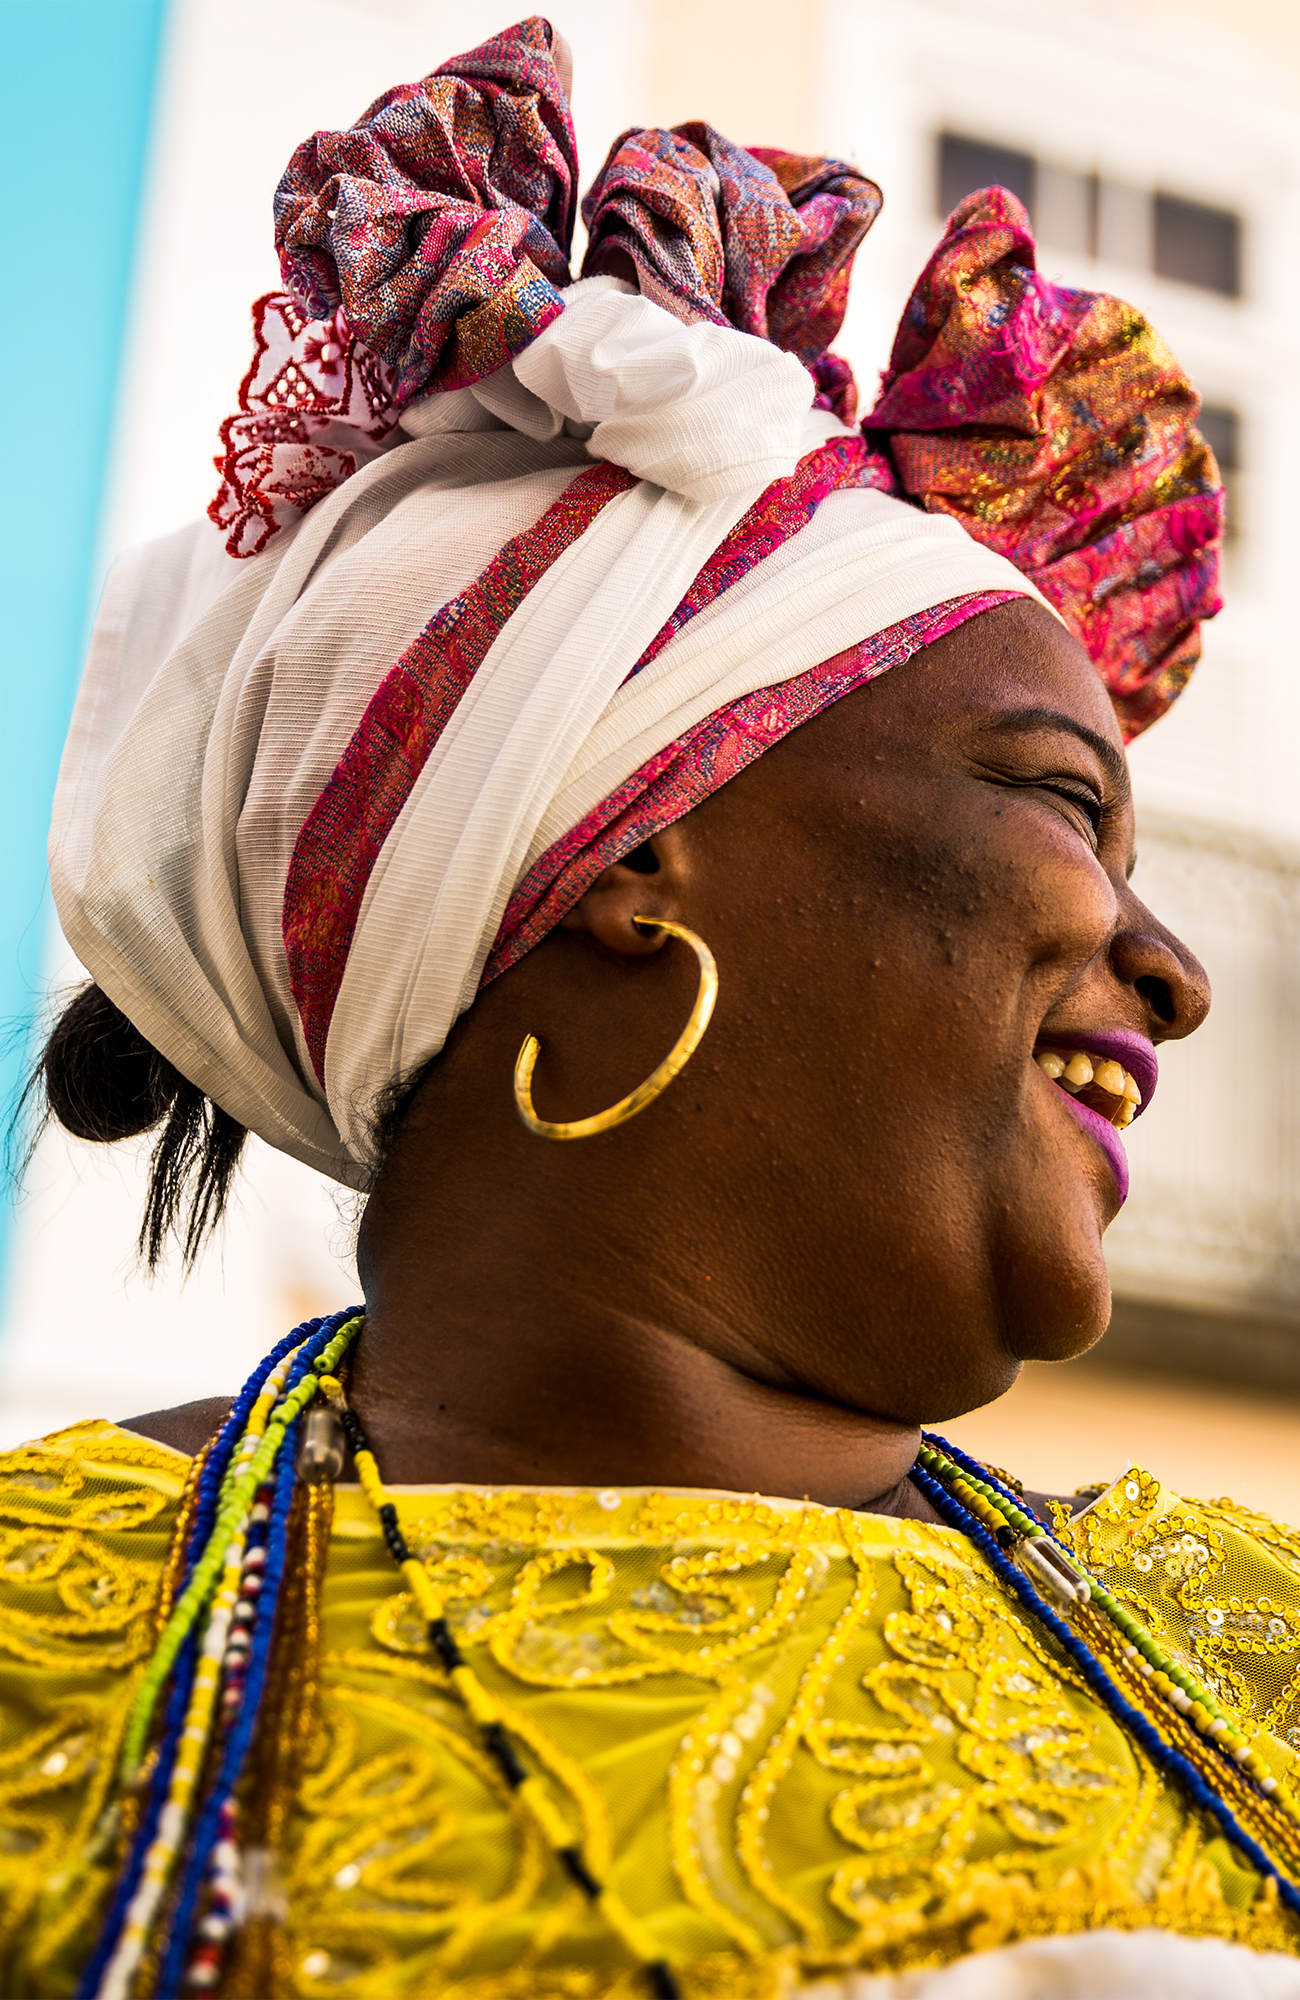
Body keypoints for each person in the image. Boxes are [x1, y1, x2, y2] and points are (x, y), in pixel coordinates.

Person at [5, 16, 1298, 1999]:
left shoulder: (1256, 1664)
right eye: (1054, 798)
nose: (1173, 968)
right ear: (625, 856)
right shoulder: (37, 1640)